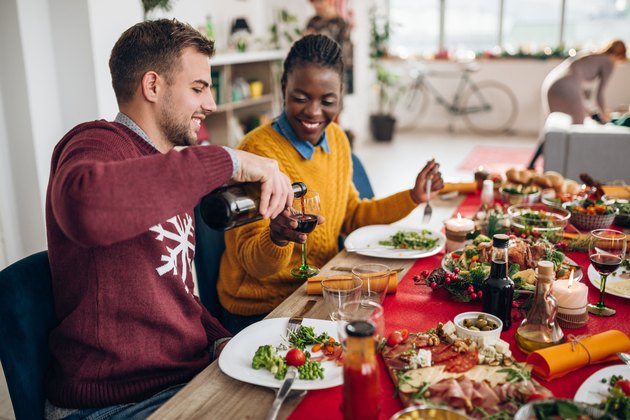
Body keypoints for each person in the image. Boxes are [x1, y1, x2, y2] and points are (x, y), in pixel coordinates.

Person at [44, 18, 293, 419]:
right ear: (153, 86)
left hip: (182, 378)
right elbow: (84, 209)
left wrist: (218, 341)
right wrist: (231, 159)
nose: (210, 104)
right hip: (111, 403)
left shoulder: (165, 172)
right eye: (198, 88)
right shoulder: (95, 142)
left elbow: (176, 294)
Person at [217, 34, 443, 333]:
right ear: (283, 87)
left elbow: (352, 216)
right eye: (300, 98)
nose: (313, 111)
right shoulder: (257, 154)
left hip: (318, 288)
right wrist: (278, 238)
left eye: (327, 101)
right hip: (261, 310)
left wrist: (412, 197)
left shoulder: (336, 138)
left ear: (340, 97)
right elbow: (253, 265)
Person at [529, 40, 627, 168]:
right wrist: (605, 117)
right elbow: (599, 94)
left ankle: (532, 164)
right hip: (567, 88)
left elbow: (577, 90)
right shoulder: (609, 61)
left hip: (552, 84)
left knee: (554, 129)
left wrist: (589, 110)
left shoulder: (590, 54)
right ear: (620, 55)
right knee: (577, 131)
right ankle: (571, 167)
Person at [305, 0, 354, 94]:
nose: (316, 5)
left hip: (333, 77)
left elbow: (344, 55)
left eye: (320, 2)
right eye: (314, 2)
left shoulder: (341, 24)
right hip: (313, 76)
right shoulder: (312, 22)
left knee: (331, 106)